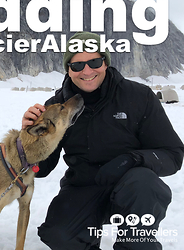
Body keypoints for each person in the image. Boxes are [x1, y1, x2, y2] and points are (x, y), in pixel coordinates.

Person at [22, 31, 183, 250]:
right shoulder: (57, 107)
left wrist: (132, 160)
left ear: (105, 62)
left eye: (94, 62)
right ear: (68, 69)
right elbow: (42, 169)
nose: (86, 71)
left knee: (145, 185)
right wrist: (29, 139)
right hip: (83, 187)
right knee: (60, 235)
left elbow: (172, 154)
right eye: (77, 66)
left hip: (132, 187)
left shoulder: (139, 97)